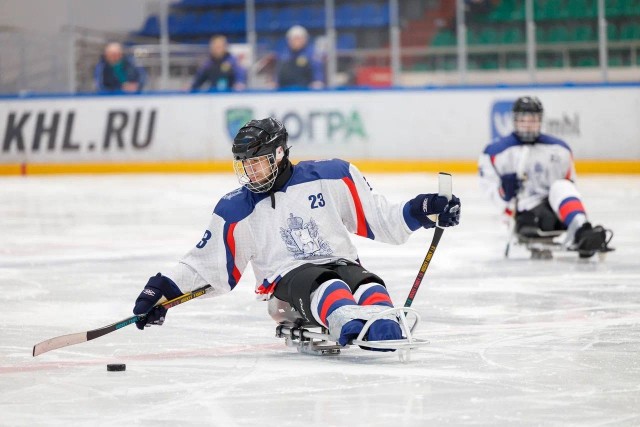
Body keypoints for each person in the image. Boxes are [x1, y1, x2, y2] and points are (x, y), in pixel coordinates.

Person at [132, 117, 461, 350]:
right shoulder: (236, 208)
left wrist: (426, 208)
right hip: (284, 286)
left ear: (278, 155)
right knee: (328, 284)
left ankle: (383, 323)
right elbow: (206, 266)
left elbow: (381, 219)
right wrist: (160, 291)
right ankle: (349, 322)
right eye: (244, 165)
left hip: (340, 263)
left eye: (257, 163)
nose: (250, 172)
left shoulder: (333, 176)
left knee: (368, 282)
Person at [478, 96, 612, 258]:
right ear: (514, 120)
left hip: (556, 212)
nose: (528, 124)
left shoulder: (559, 149)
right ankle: (580, 232)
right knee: (544, 202)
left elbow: (570, 187)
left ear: (540, 120)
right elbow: (490, 192)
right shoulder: (494, 152)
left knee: (562, 186)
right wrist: (504, 192)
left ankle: (582, 230)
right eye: (523, 119)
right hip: (526, 214)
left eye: (532, 119)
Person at [276, 25, 325, 90]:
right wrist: (275, 83)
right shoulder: (284, 55)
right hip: (286, 90)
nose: (296, 41)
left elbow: (317, 72)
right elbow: (279, 74)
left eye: (298, 38)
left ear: (305, 39)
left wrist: (318, 81)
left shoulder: (312, 54)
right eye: (293, 39)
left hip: (307, 90)